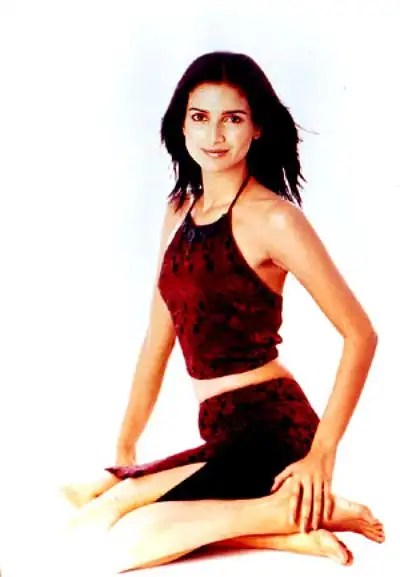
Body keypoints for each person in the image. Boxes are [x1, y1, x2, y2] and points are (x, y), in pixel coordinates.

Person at [62, 51, 385, 572]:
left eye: (232, 118)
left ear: (257, 128)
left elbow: (360, 334)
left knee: (122, 539)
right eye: (200, 116)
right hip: (221, 432)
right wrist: (127, 447)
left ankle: (285, 509)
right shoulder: (178, 211)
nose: (214, 134)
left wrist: (321, 456)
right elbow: (157, 338)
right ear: (182, 124)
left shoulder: (275, 219)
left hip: (273, 429)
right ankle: (281, 530)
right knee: (85, 502)